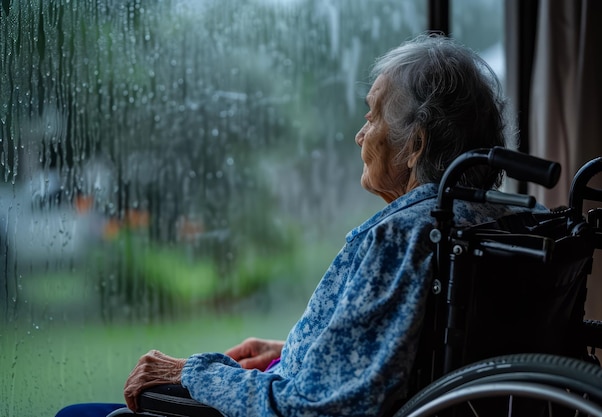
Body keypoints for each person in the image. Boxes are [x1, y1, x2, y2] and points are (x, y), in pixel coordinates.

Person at [56, 33, 518, 417]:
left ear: (415, 146)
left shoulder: (404, 235)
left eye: (371, 115)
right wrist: (297, 347)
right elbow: (400, 345)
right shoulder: (492, 220)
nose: (360, 134)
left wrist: (190, 371)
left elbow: (310, 409)